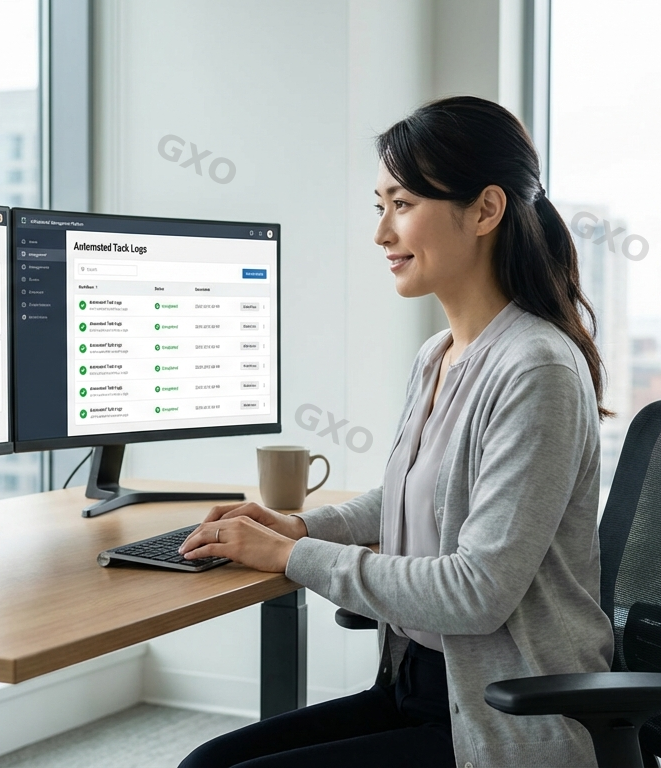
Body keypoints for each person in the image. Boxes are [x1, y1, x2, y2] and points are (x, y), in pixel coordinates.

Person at [176, 95, 616, 768]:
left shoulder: (536, 368)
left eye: (402, 205)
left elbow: (476, 592)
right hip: (416, 687)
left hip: (502, 717)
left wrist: (288, 560)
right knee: (207, 763)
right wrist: (297, 528)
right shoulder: (439, 353)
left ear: (486, 210)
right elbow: (407, 496)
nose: (382, 234)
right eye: (378, 207)